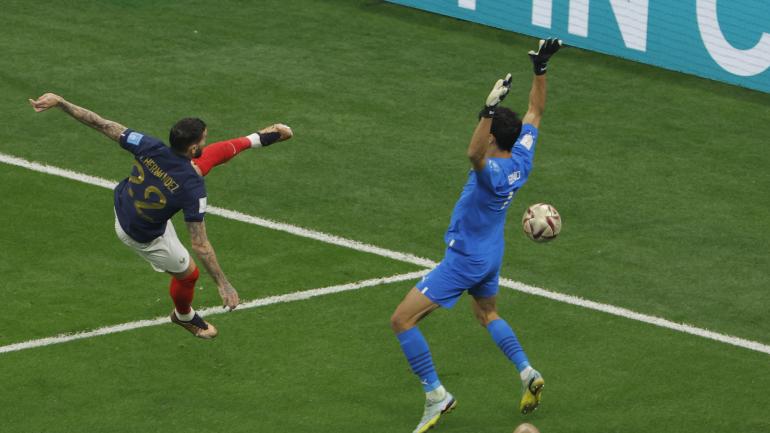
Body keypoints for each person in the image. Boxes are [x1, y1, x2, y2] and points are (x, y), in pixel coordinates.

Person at [389, 38, 562, 433]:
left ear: (490, 137)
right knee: (486, 313)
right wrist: (541, 68)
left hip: (465, 259)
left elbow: (472, 155)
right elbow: (536, 110)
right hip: (491, 253)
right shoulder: (522, 159)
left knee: (402, 320)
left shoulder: (493, 173)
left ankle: (436, 395)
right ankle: (526, 371)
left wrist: (486, 109)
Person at [28, 93, 292, 338]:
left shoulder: (149, 145)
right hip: (142, 235)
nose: (205, 143)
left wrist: (61, 102)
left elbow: (101, 124)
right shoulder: (192, 188)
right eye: (203, 140)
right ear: (191, 147)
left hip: (126, 200)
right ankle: (183, 316)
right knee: (188, 275)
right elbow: (200, 244)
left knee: (198, 167)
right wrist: (224, 284)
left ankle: (256, 138)